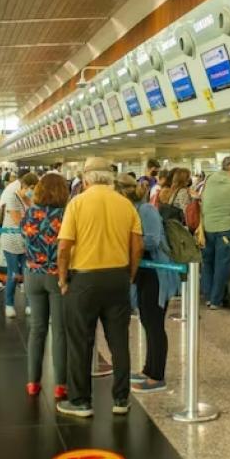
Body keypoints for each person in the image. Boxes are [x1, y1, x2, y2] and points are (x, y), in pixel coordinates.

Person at [55, 157, 143, 418]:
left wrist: (63, 279)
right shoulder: (126, 204)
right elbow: (137, 246)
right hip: (117, 278)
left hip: (84, 280)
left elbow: (64, 247)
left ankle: (81, 401)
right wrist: (130, 275)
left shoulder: (77, 203)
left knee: (80, 341)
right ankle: (121, 399)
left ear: (86, 179)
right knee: (119, 341)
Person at [123, 177, 179, 394]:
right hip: (145, 273)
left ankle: (157, 376)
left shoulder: (146, 210)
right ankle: (148, 369)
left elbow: (153, 240)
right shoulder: (133, 211)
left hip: (157, 273)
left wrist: (128, 241)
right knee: (147, 320)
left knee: (155, 324)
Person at [22, 172, 70, 399]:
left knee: (37, 329)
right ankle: (60, 385)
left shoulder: (30, 213)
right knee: (59, 331)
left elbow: (24, 238)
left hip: (32, 274)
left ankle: (33, 382)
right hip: (56, 275)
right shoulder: (64, 215)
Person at [199, 156, 230, 309]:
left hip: (208, 226)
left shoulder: (210, 178)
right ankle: (216, 300)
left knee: (207, 262)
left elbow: (203, 198)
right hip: (226, 228)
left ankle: (208, 296)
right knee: (222, 263)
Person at [0, 172, 38, 318]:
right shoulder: (11, 198)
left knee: (28, 274)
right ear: (25, 186)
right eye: (32, 188)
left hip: (26, 243)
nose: (32, 191)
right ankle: (9, 305)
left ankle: (29, 304)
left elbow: (35, 216)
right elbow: (17, 220)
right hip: (11, 242)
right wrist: (34, 225)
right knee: (14, 274)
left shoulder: (30, 200)